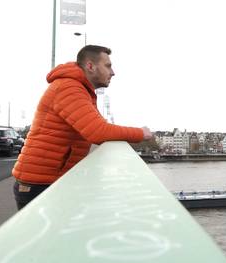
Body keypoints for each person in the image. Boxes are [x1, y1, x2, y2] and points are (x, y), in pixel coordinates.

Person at [12, 45, 152, 209]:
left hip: (49, 180)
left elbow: (99, 127)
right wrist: (141, 133)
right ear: (90, 66)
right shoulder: (68, 88)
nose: (113, 72)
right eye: (108, 66)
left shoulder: (80, 89)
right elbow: (98, 132)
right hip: (39, 184)